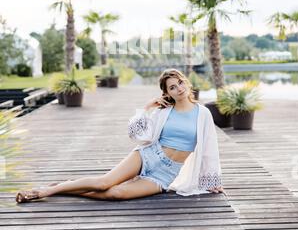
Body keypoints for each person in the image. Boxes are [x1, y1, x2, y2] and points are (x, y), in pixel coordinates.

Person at [15, 68, 224, 203]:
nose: (178, 88)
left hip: (165, 175)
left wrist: (211, 180)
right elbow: (136, 134)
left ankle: (62, 188)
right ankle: (44, 191)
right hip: (148, 155)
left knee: (116, 194)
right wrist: (146, 108)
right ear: (167, 93)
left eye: (179, 83)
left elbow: (208, 149)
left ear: (186, 83)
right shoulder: (163, 111)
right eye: (172, 87)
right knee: (104, 183)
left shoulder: (202, 113)